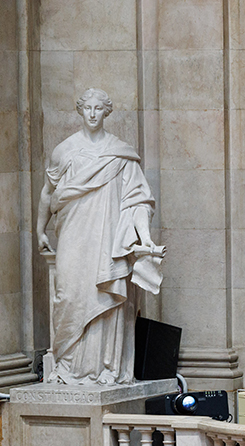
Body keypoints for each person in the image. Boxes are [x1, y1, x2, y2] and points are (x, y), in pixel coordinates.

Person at [36, 88, 165, 385]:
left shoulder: (120, 154)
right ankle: (67, 365)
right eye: (88, 108)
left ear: (106, 112)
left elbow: (138, 201)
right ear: (80, 111)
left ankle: (106, 368)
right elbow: (47, 193)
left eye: (98, 109)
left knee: (105, 296)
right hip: (72, 235)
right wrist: (40, 229)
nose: (92, 114)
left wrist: (144, 238)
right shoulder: (64, 151)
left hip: (107, 240)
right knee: (68, 295)